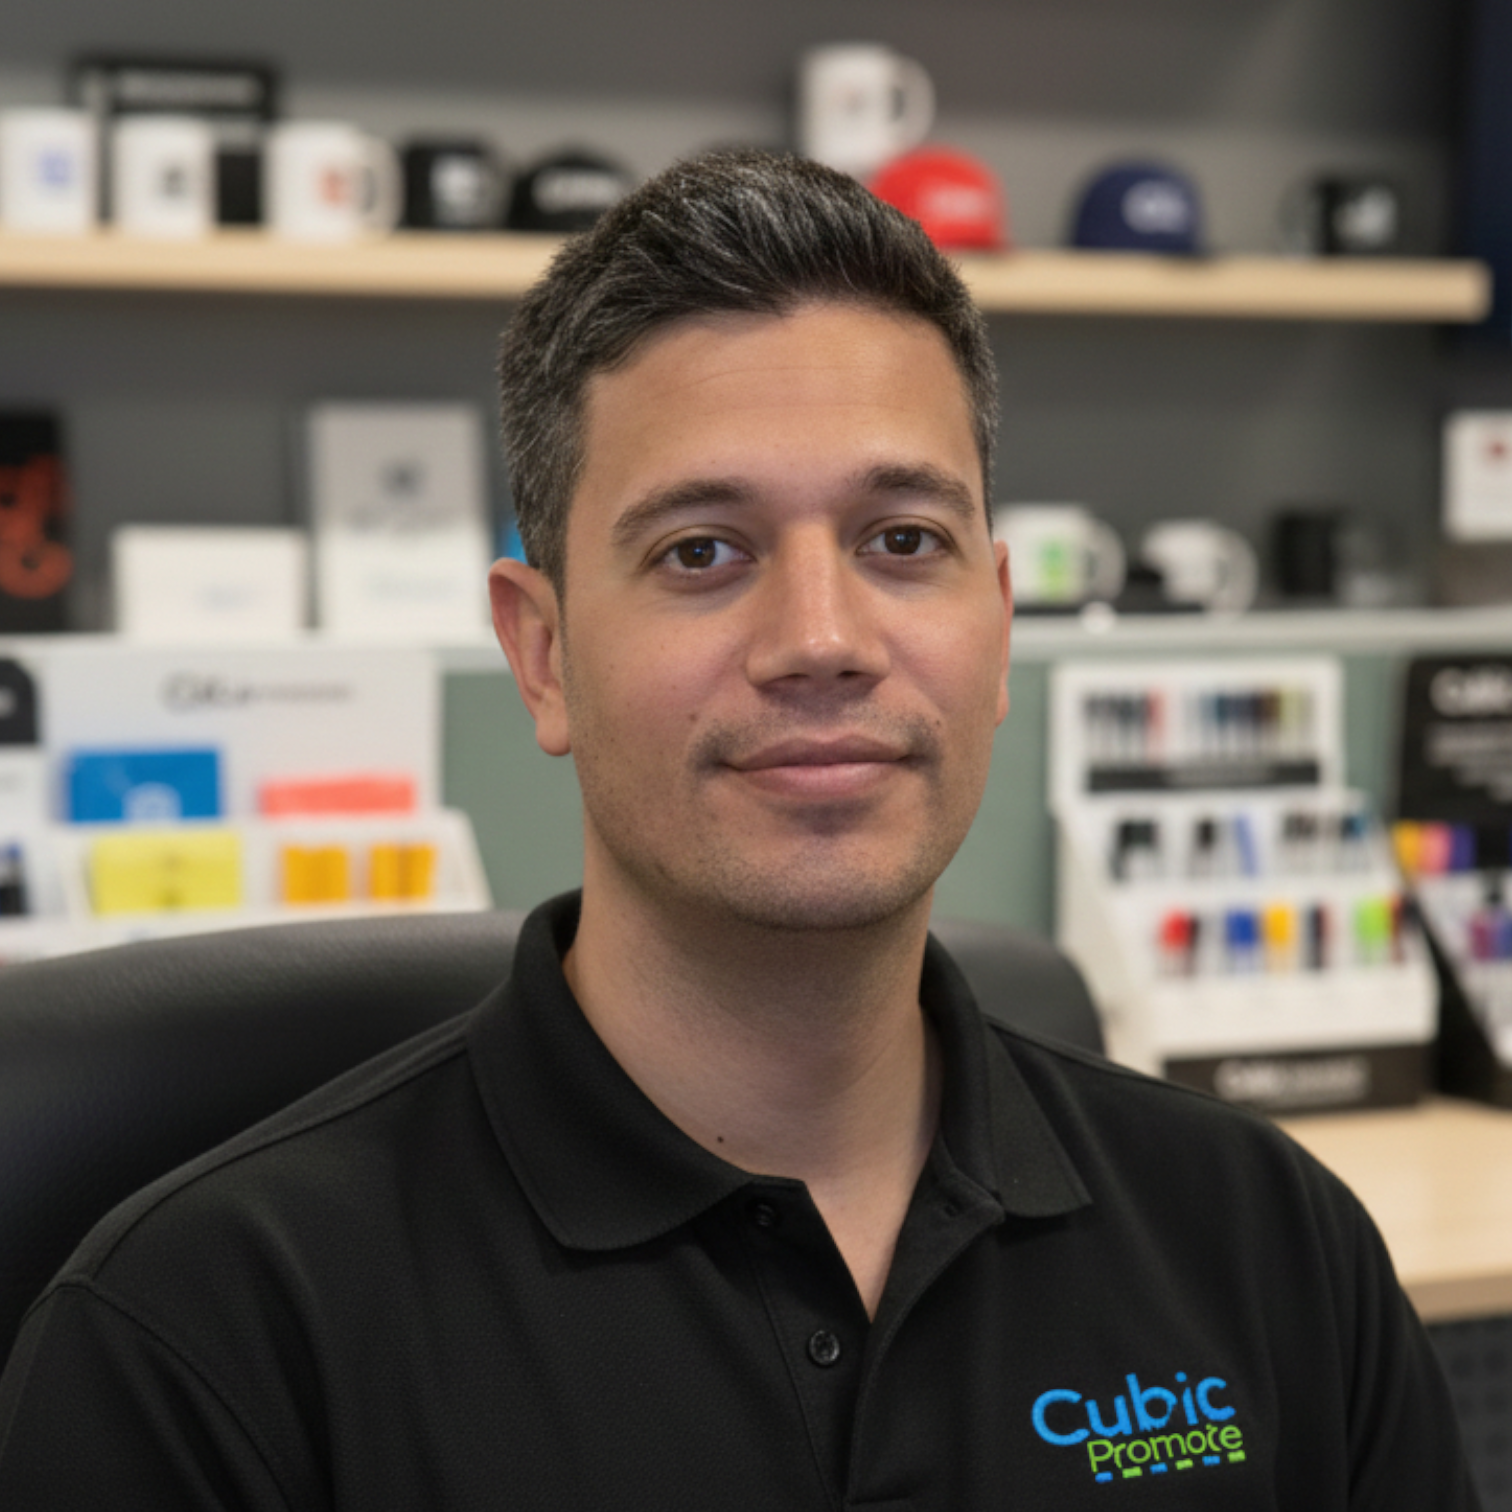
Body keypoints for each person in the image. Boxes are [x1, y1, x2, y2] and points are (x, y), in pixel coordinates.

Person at [0, 150, 1479, 1509]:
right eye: (701, 551)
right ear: (545, 654)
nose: (823, 638)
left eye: (904, 541)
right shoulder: (206, 1338)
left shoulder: (1267, 1244)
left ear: (1001, 624)